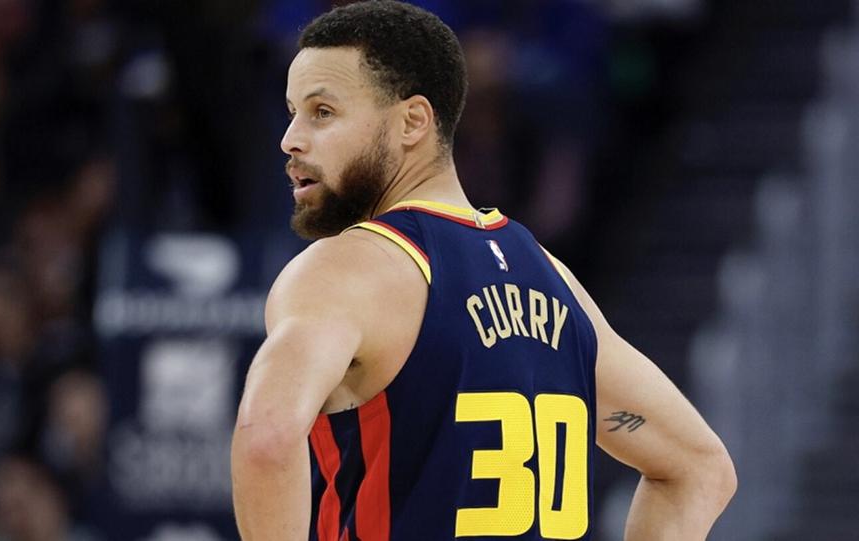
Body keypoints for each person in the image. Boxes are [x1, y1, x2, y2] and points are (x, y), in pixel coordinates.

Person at [230, 2, 736, 540]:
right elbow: (699, 468)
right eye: (292, 112)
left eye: (322, 112)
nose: (291, 138)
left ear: (413, 121)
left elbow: (268, 440)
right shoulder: (553, 279)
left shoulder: (346, 271)